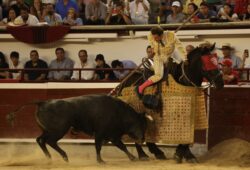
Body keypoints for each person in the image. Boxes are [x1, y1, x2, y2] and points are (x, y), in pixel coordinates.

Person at [135, 26, 186, 97]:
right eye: (154, 37)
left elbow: (180, 47)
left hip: (171, 55)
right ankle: (141, 87)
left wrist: (185, 58)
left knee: (180, 65)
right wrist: (153, 51)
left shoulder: (171, 35)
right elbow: (152, 46)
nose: (154, 39)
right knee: (158, 75)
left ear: (161, 35)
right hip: (158, 56)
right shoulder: (150, 36)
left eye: (156, 38)